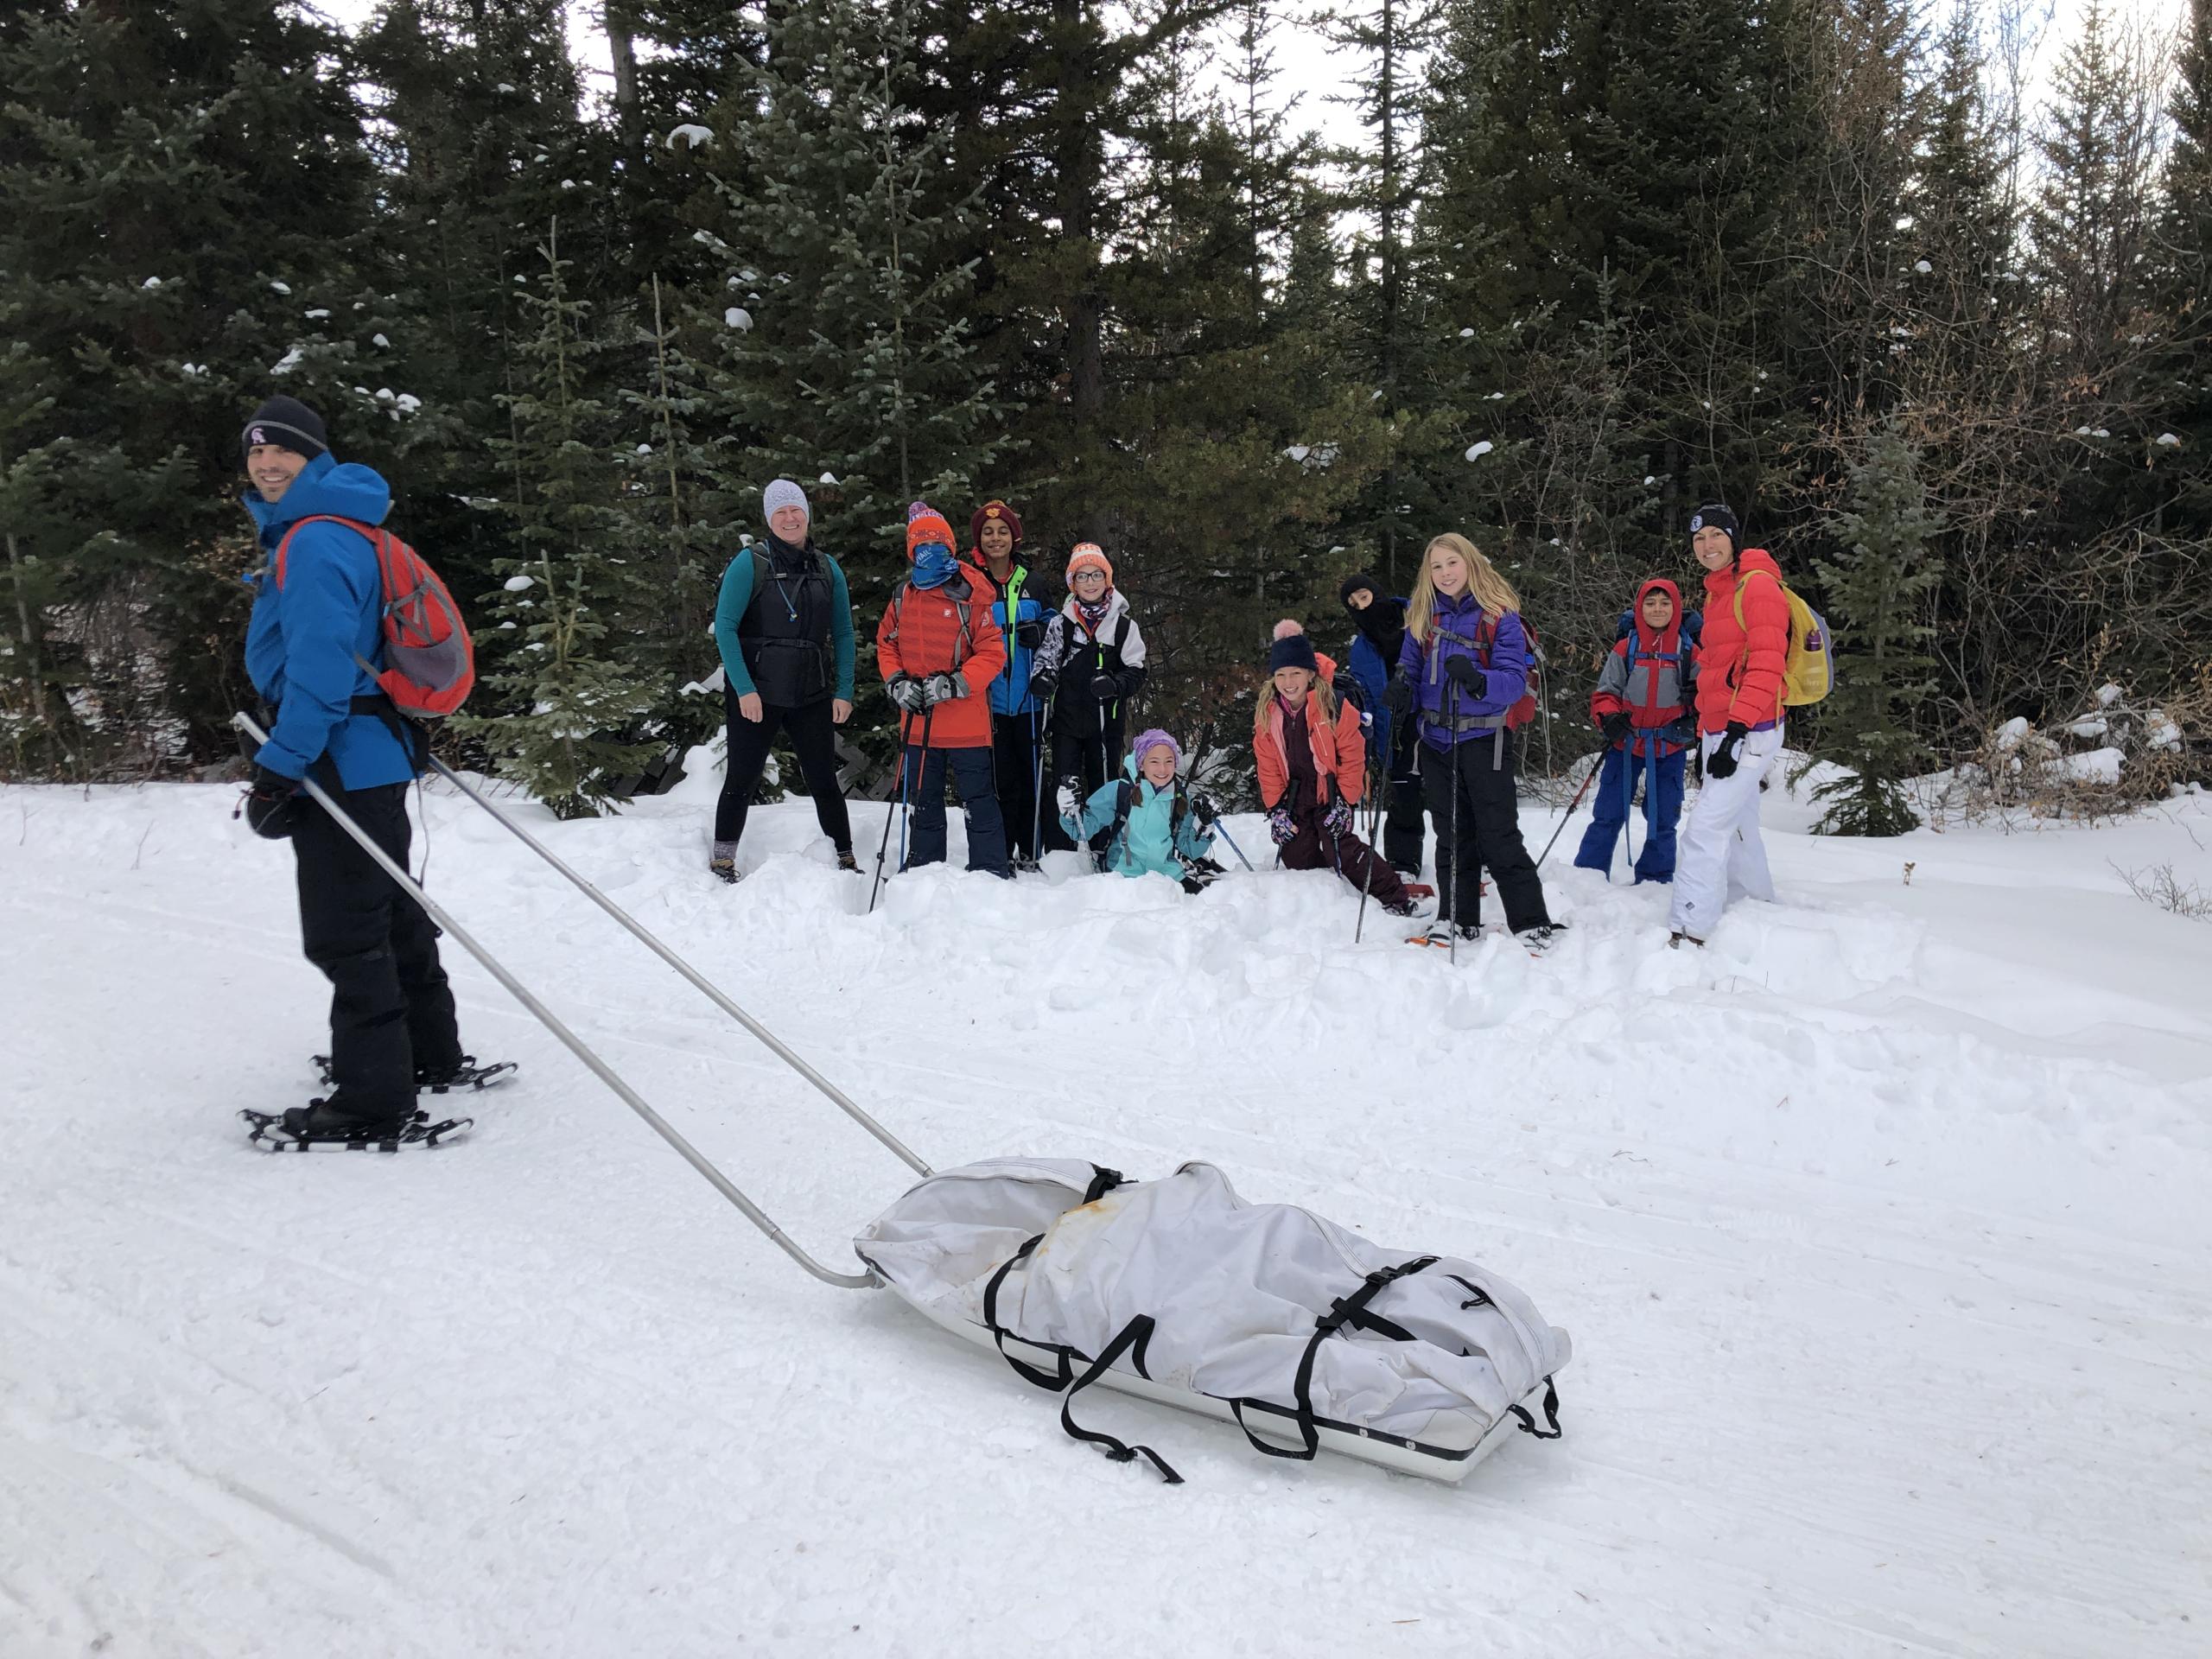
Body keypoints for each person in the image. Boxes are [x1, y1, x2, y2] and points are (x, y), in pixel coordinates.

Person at [235, 394, 467, 1140]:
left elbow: (321, 669)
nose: (267, 463)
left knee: (346, 932)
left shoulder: (312, 540)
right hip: (375, 752)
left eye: (283, 450)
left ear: (313, 458)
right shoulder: (347, 527)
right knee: (392, 909)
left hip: (337, 756)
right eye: (256, 452)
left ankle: (373, 1099)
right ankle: (425, 1052)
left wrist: (279, 766)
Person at [1386, 534, 1563, 948]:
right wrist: (1401, 690)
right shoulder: (1422, 616)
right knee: (1450, 835)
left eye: (1452, 563)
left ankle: (1531, 922)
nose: (1445, 573)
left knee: (1498, 833)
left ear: (1469, 563)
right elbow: (1409, 669)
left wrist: (1477, 680)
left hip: (1485, 739)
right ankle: (1456, 918)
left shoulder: (1500, 615)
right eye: (1436, 566)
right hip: (1436, 740)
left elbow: (1513, 682)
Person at [709, 480, 857, 882]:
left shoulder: (827, 568)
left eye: (796, 510)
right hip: (757, 692)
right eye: (780, 512)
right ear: (768, 518)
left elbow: (843, 632)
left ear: (806, 514)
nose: (790, 519)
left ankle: (845, 856)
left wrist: (843, 690)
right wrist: (745, 689)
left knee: (823, 779)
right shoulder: (750, 563)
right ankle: (723, 858)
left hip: (810, 690)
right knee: (742, 777)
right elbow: (726, 628)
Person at [1669, 505, 1789, 946]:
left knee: (1705, 828)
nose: (1707, 546)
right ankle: (1753, 906)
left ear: (1734, 539)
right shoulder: (1720, 591)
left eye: (1716, 535)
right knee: (1739, 825)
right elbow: (1719, 666)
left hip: (1748, 728)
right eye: (1699, 539)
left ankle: (1689, 927)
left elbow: (1766, 664)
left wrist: (1736, 731)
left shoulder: (1757, 586)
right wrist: (1706, 728)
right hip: (1722, 727)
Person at [876, 501, 1011, 877]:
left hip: (966, 721)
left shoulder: (972, 595)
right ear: (912, 551)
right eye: (922, 546)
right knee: (923, 800)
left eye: (938, 545)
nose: (930, 552)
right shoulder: (903, 596)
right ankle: (924, 866)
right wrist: (897, 682)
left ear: (951, 548)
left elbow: (992, 652)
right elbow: (886, 644)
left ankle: (989, 869)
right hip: (919, 719)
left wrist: (955, 684)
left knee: (978, 801)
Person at [1257, 622, 1428, 918]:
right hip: (1295, 795)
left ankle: (1395, 895)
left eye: (1295, 673)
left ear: (1310, 674)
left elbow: (1352, 755)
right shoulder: (1268, 712)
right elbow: (1267, 764)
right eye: (1281, 675)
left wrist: (1345, 802)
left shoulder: (1333, 705)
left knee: (1340, 846)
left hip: (1330, 791)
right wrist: (1277, 810)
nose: (1288, 682)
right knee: (1296, 855)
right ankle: (1329, 893)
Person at [1573, 578, 1699, 884]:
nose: (1658, 609)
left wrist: (1695, 714)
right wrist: (1609, 717)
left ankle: (1655, 879)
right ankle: (1587, 876)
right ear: (1640, 607)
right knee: (1608, 813)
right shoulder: (1626, 648)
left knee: (1664, 817)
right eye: (1650, 603)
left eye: (1665, 603)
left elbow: (1707, 696)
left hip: (1669, 746)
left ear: (1676, 607)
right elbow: (1606, 692)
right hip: (1626, 744)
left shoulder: (1689, 651)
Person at [1029, 543, 1147, 856]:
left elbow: (1137, 670)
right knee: (1064, 784)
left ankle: (1104, 847)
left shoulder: (1123, 625)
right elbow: (1046, 660)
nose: (1090, 582)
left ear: (1107, 579)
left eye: (1096, 575)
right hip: (1067, 721)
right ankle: (1061, 850)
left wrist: (1115, 684)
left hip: (1106, 722)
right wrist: (1042, 679)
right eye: (1082, 576)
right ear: (1073, 583)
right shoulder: (1062, 623)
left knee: (1103, 783)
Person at [969, 499, 1051, 870]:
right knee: (1001, 781)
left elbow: (1057, 630)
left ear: (1014, 537)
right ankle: (1000, 852)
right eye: (988, 532)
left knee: (1031, 778)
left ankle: (1031, 850)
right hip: (989, 703)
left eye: (1003, 531)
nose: (995, 538)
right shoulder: (970, 581)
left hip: (1029, 701)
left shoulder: (1033, 582)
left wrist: (1042, 632)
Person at [1339, 572, 1427, 877]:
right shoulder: (1361, 649)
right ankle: (1403, 862)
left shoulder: (1420, 617)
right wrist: (1370, 735)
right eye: (1354, 605)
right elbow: (1364, 697)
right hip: (1394, 727)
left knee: (1453, 791)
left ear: (1376, 592)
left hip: (1434, 718)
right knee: (1404, 795)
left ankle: (1471, 858)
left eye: (1364, 597)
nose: (1362, 607)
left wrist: (1414, 691)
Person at [1058, 729, 1220, 893]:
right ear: (1141, 764)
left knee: (1205, 903)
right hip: (1124, 875)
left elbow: (1189, 849)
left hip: (1167, 876)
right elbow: (1082, 830)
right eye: (1154, 762)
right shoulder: (1120, 790)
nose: (1162, 769)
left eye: (1169, 761)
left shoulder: (1180, 796)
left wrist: (1203, 826)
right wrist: (1069, 811)